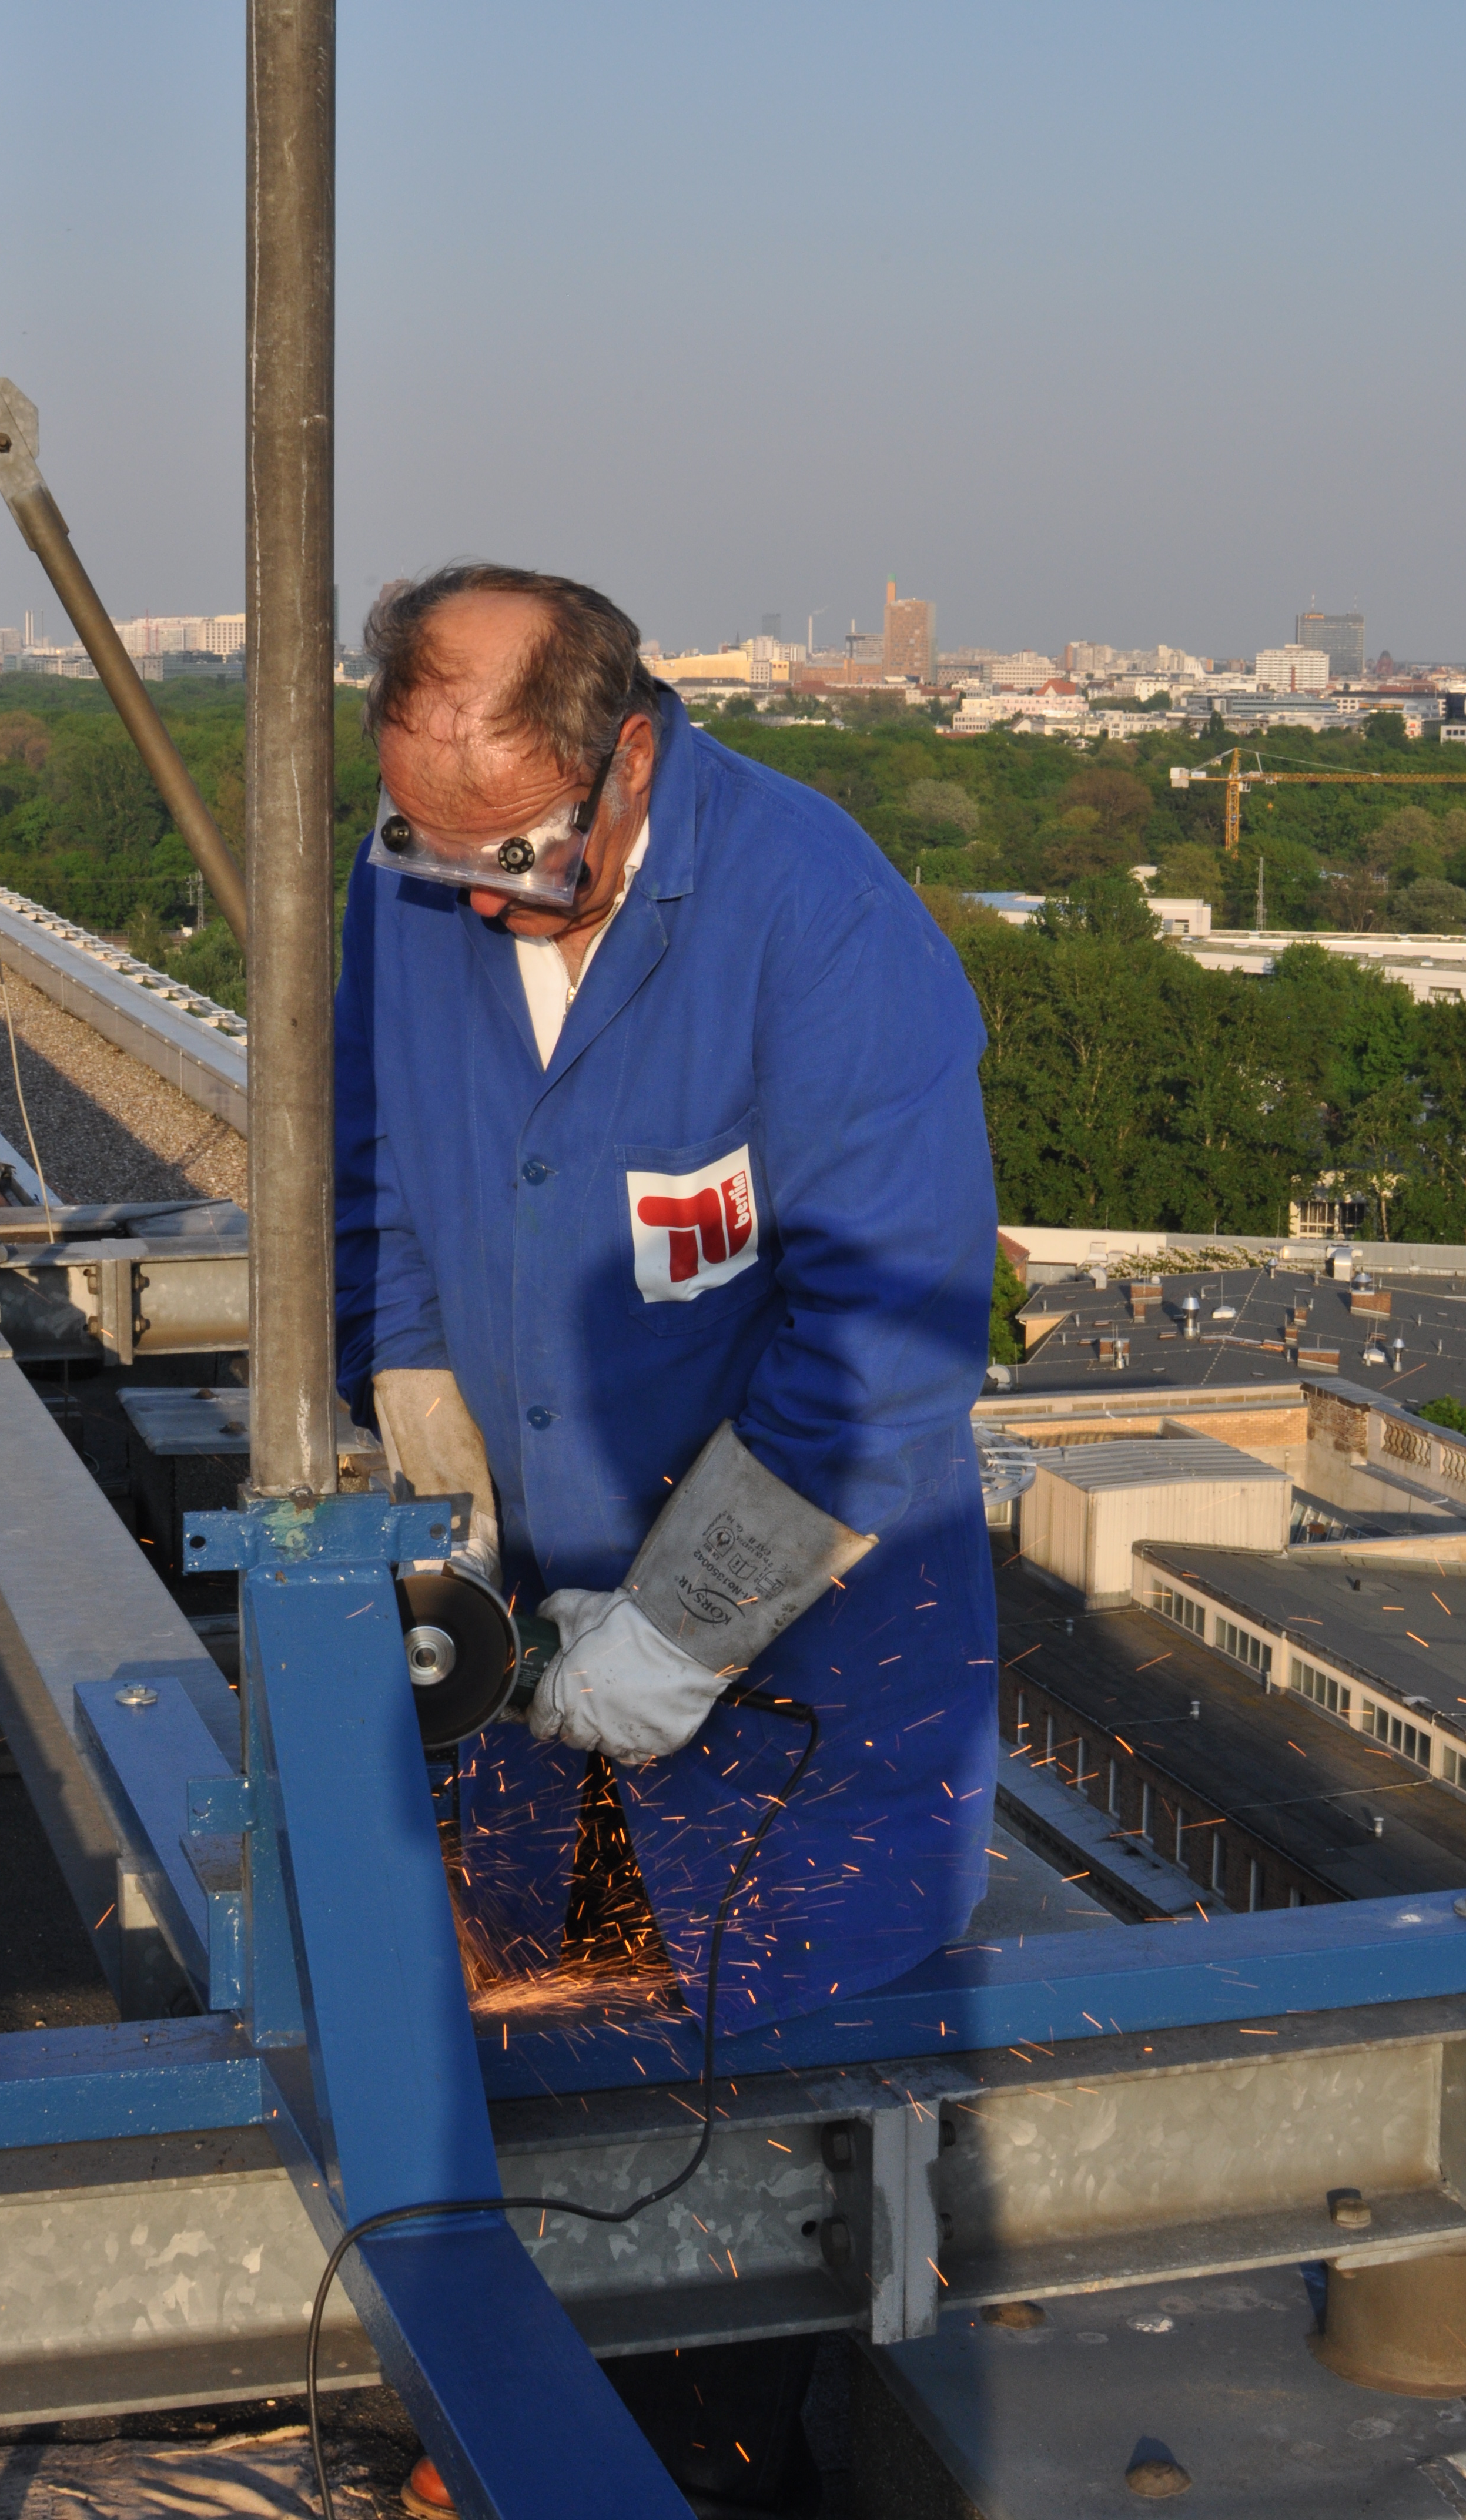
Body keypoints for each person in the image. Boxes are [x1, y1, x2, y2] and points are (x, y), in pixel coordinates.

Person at [333, 564, 998, 2515]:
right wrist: (417, 1395)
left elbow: (882, 1354)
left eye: (522, 849)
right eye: (436, 847)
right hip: (537, 1617)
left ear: (629, 752)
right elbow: (377, 1168)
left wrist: (694, 1626)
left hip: (812, 1665)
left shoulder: (818, 921)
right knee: (523, 2054)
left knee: (751, 2142)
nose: (484, 894)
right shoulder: (421, 879)